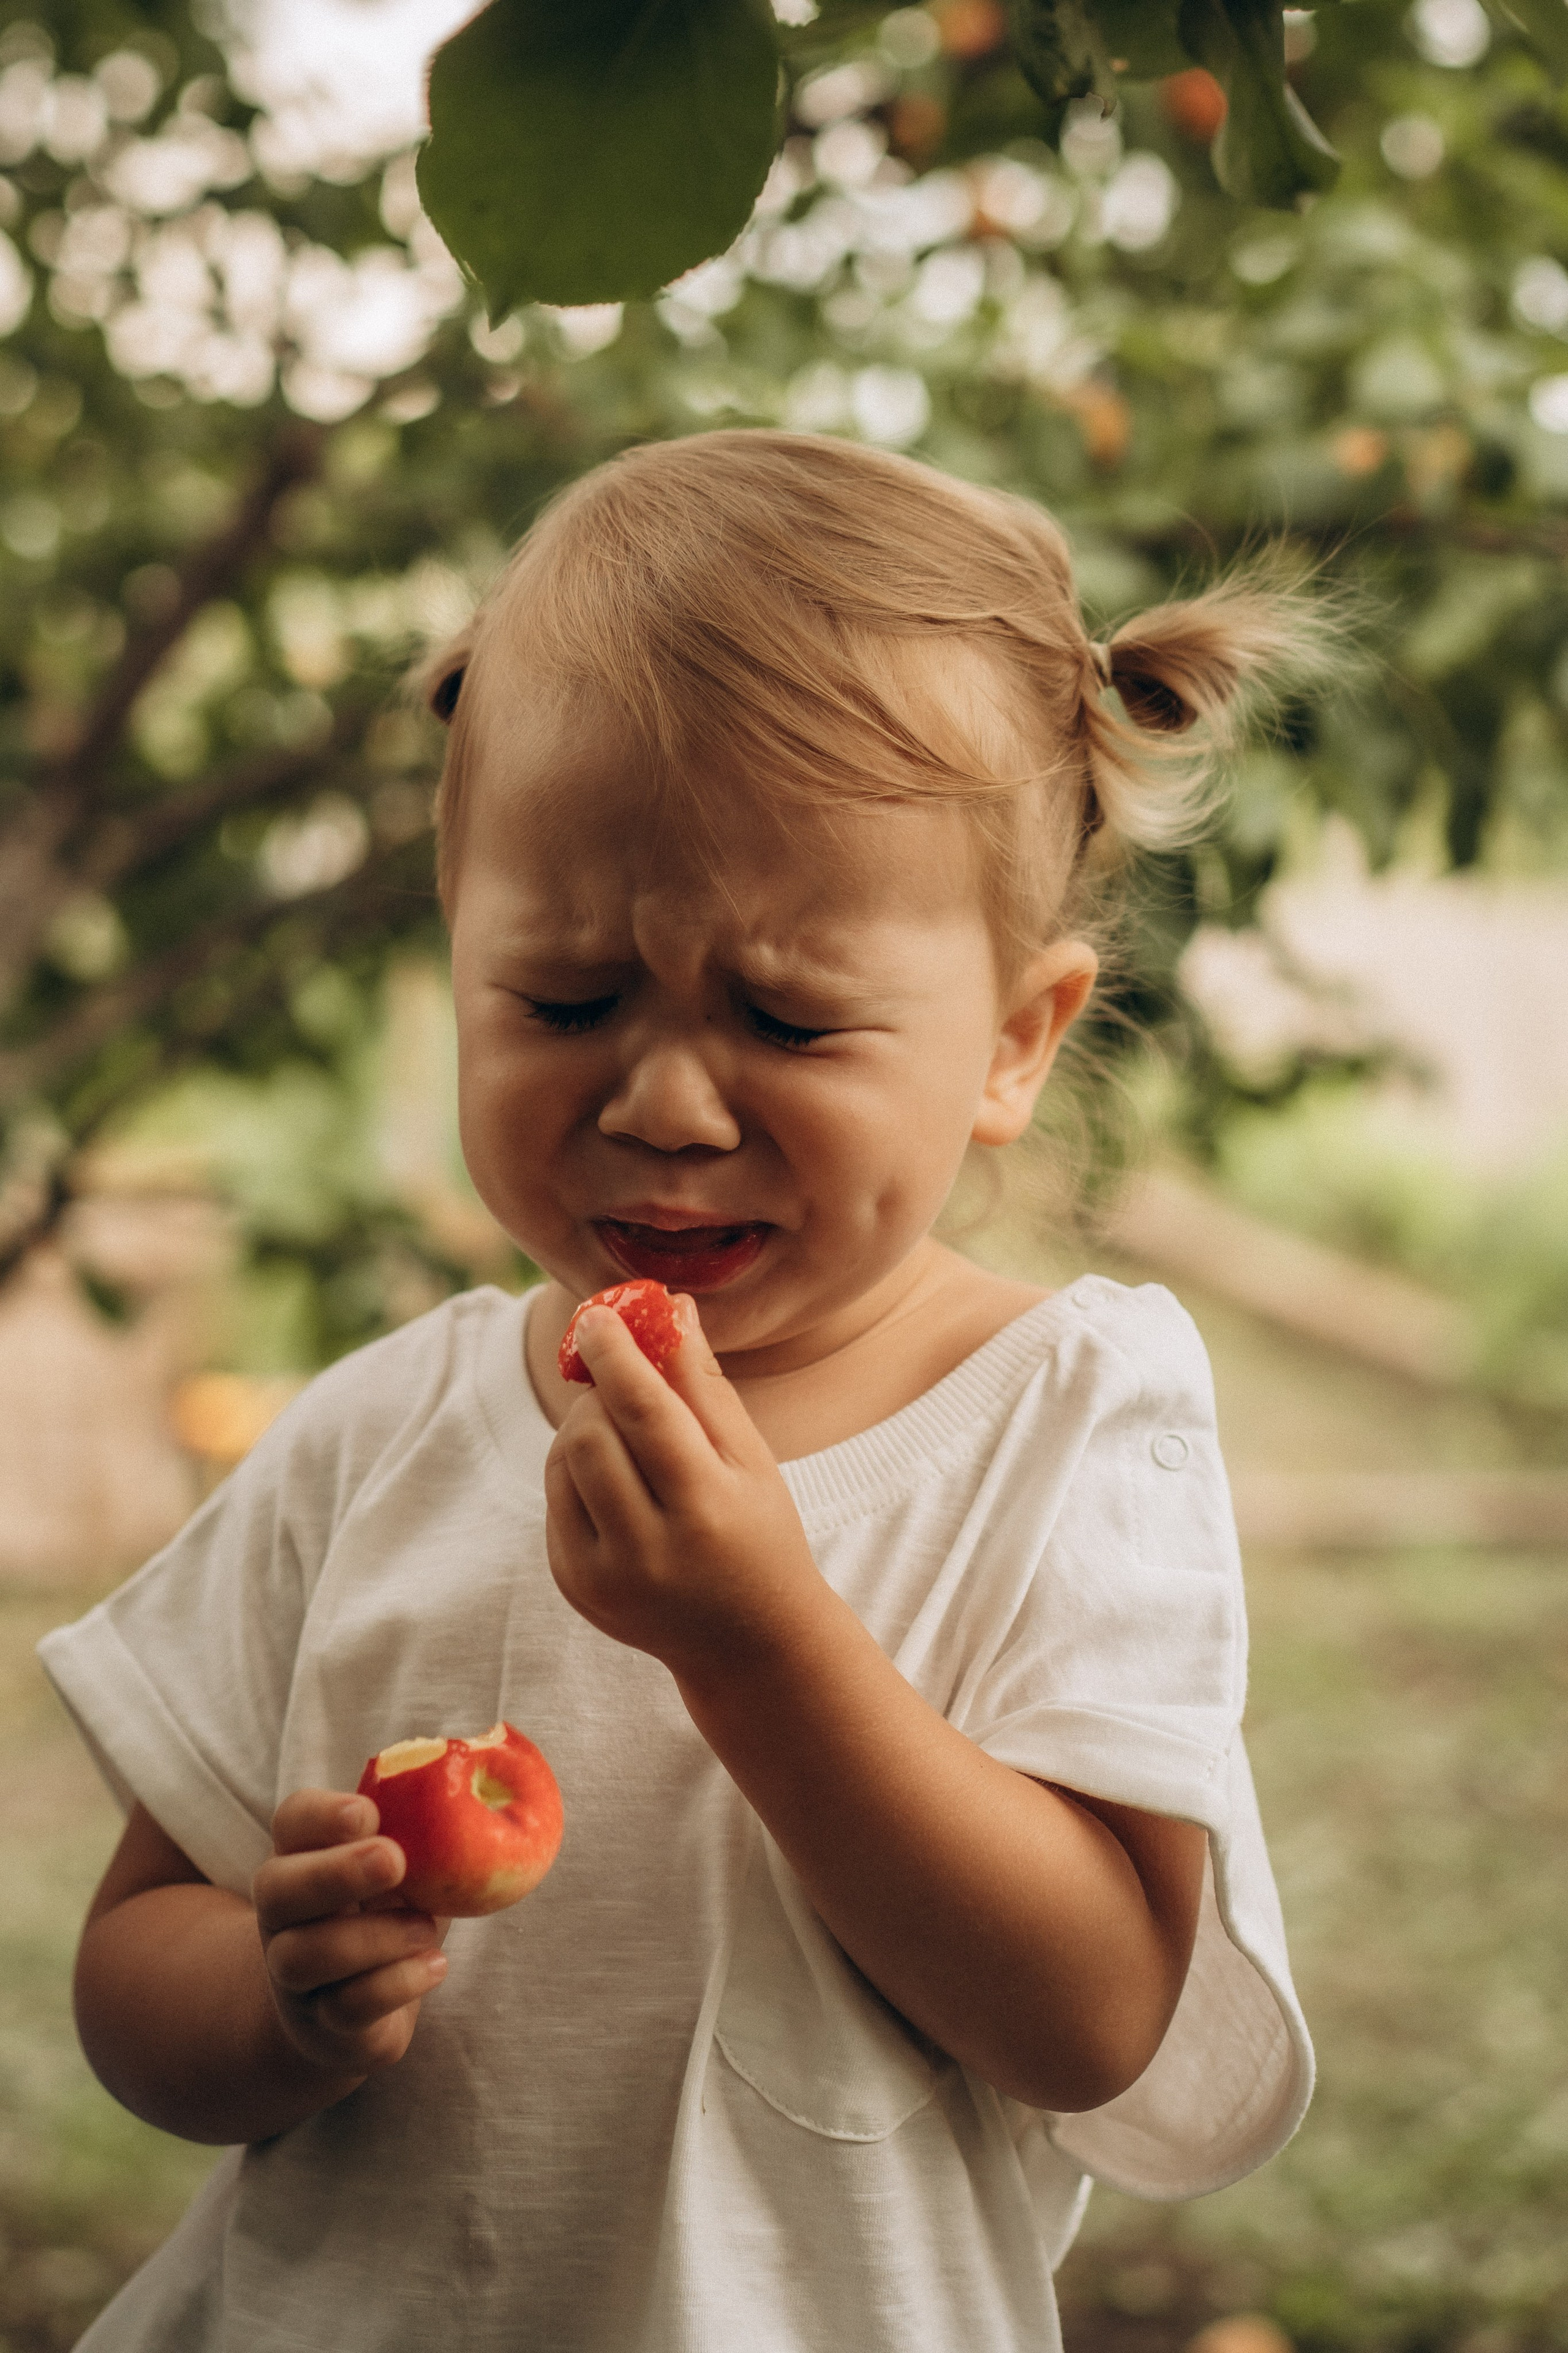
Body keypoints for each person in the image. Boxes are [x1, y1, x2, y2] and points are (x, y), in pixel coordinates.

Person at [40, 431, 1316, 2352]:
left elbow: (1096, 2014)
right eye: (562, 1000)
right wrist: (274, 1995)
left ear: (1014, 1042)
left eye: (790, 1018)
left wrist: (760, 1636)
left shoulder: (1062, 1421)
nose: (662, 1101)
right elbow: (136, 1971)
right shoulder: (382, 1434)